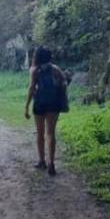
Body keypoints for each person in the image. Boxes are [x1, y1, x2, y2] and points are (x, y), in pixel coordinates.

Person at [24, 47, 69, 176]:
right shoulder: (56, 69)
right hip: (54, 104)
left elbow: (31, 88)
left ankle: (42, 161)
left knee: (40, 133)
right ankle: (51, 163)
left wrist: (26, 106)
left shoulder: (35, 70)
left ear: (37, 57)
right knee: (51, 133)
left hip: (39, 103)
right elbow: (64, 83)